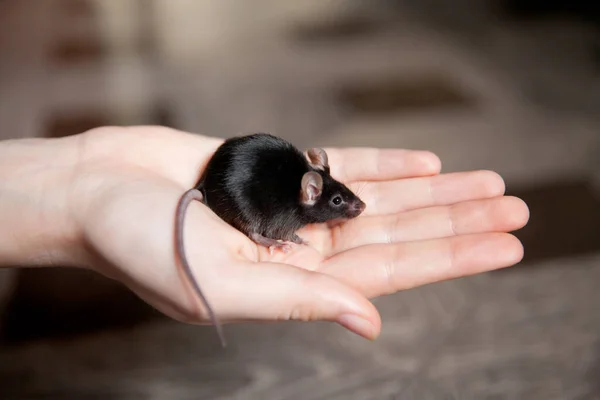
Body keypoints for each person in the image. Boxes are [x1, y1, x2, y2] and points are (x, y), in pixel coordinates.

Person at [0, 126, 529, 340]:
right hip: (232, 194)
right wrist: (268, 236)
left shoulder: (305, 184)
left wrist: (77, 188)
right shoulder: (293, 209)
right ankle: (254, 231)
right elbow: (268, 210)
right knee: (261, 223)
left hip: (245, 172)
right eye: (341, 201)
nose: (353, 206)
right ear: (310, 193)